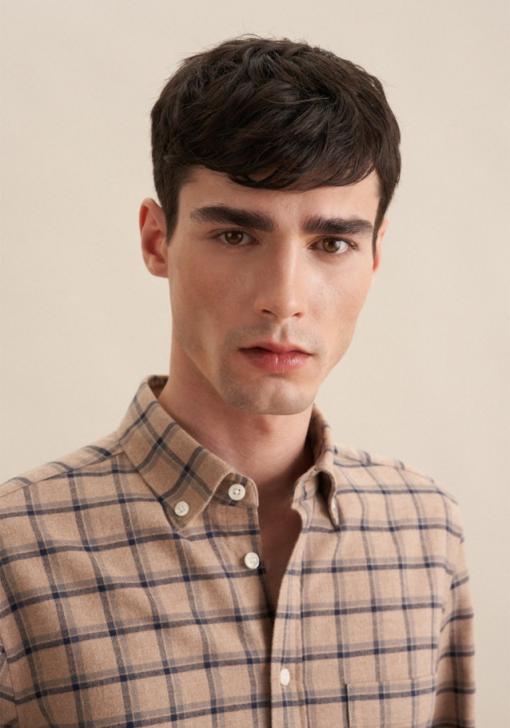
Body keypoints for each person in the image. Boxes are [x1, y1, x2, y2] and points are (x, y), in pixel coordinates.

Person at [0, 35, 475, 727]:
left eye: (332, 243)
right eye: (235, 235)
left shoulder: (427, 534)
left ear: (374, 256)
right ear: (156, 240)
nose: (284, 298)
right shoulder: (16, 554)